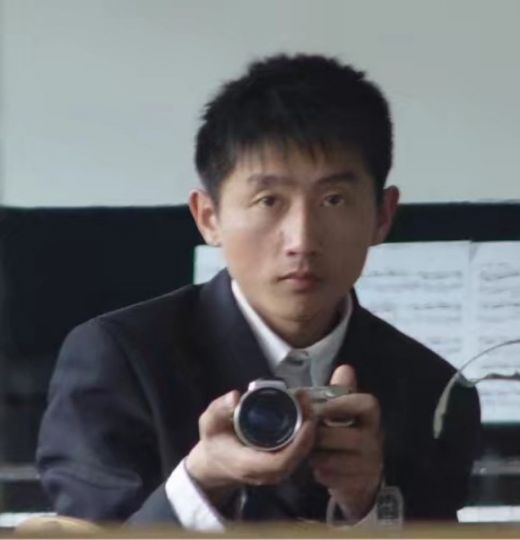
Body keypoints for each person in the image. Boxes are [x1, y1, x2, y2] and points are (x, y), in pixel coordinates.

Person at [36, 53, 481, 530]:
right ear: (209, 217)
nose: (302, 241)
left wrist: (370, 504)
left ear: (383, 215)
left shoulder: (434, 390)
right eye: (269, 200)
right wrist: (201, 481)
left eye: (334, 200)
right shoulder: (119, 361)